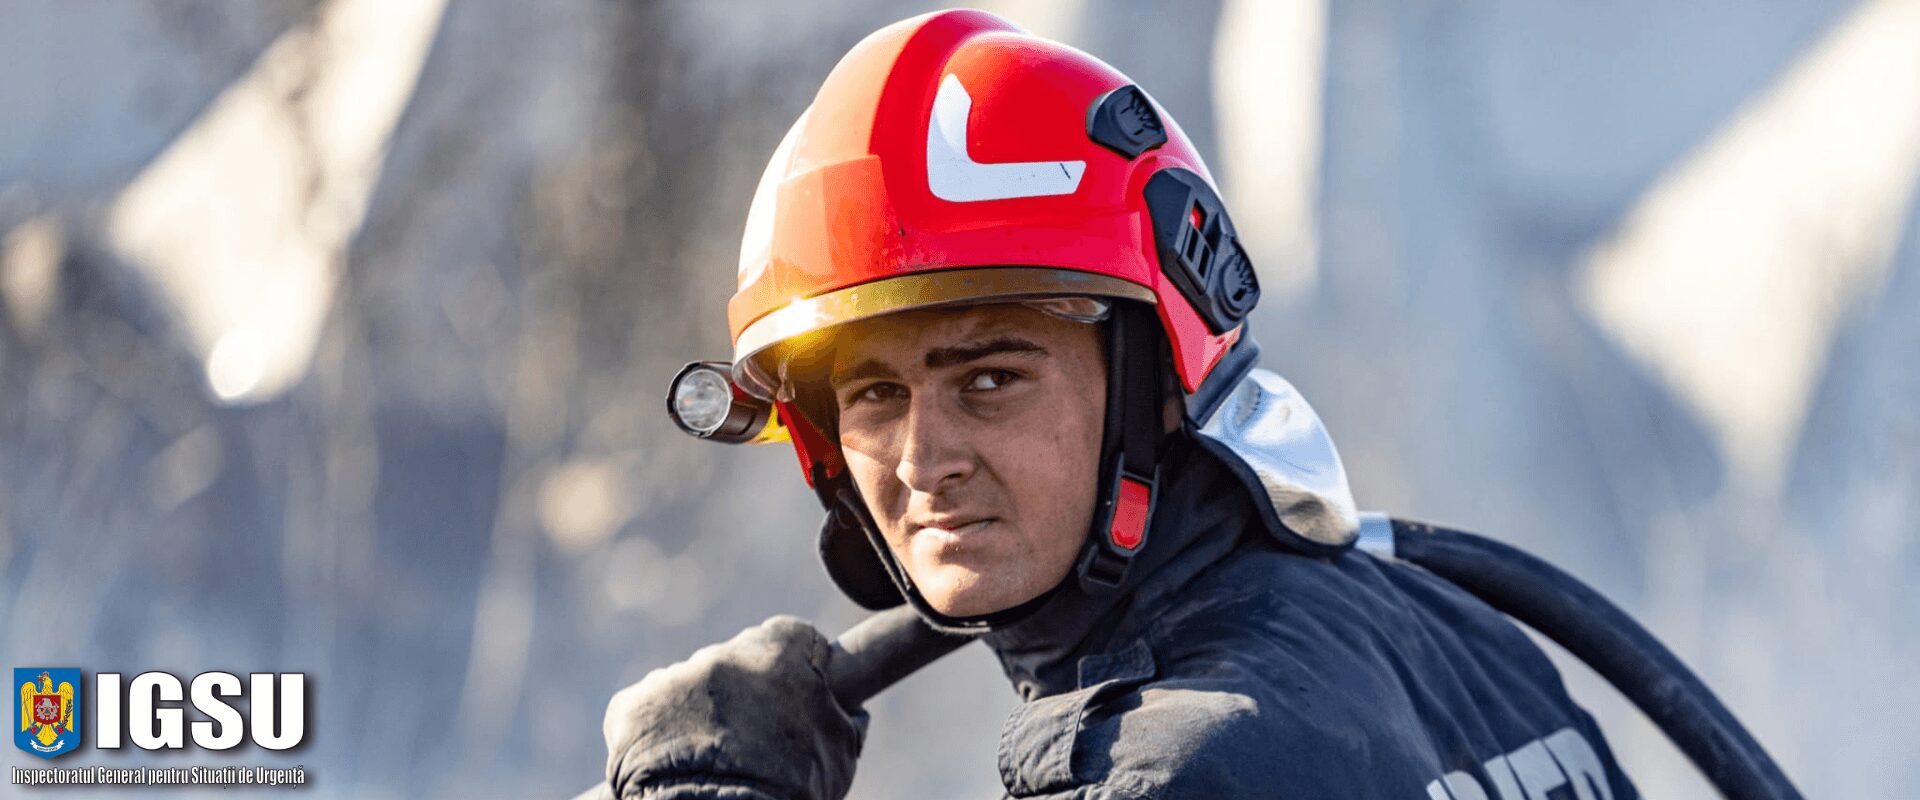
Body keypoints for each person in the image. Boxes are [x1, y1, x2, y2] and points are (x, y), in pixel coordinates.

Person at [602, 9, 1638, 800]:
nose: (923, 458)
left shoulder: (1168, 768)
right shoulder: (1459, 636)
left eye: (990, 380)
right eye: (875, 393)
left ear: (1159, 382)